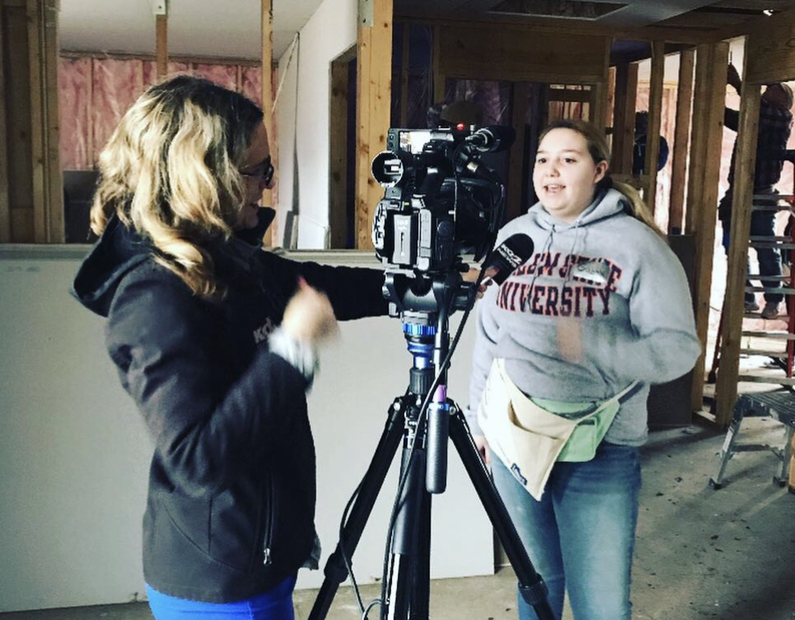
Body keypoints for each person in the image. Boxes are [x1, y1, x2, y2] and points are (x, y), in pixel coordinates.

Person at [71, 75, 389, 620]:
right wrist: (293, 349)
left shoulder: (221, 257)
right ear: (204, 175)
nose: (266, 185)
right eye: (256, 170)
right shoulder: (153, 295)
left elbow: (313, 282)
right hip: (221, 585)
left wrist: (412, 288)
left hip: (256, 556)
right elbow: (198, 460)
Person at [466, 119, 701, 620]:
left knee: (602, 602)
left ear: (599, 170)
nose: (551, 171)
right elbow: (488, 332)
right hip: (514, 441)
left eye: (567, 159)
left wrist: (595, 346)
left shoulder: (638, 247)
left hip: (600, 449)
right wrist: (480, 417)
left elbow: (678, 348)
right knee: (535, 586)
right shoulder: (515, 236)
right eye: (542, 159)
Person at [719, 63, 793, 319]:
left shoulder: (781, 117)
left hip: (761, 193)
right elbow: (738, 120)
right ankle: (746, 297)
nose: (765, 89)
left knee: (764, 247)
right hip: (736, 191)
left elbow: (757, 111)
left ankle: (773, 298)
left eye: (773, 88)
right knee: (733, 246)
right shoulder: (757, 116)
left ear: (783, 100)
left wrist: (738, 84)